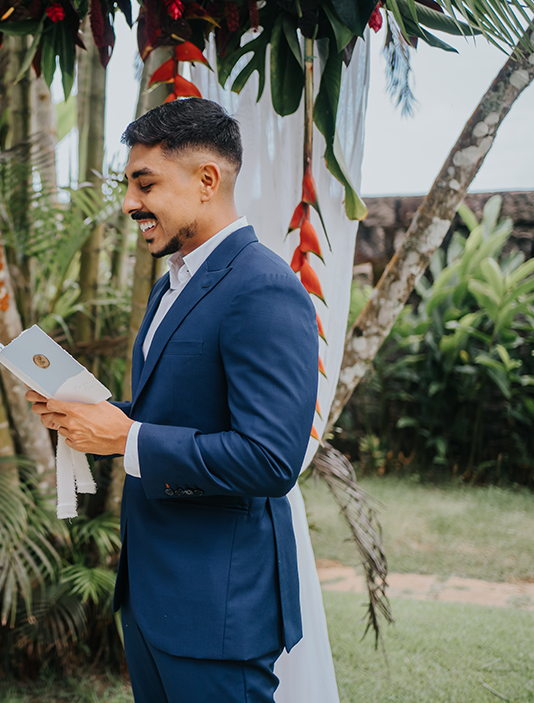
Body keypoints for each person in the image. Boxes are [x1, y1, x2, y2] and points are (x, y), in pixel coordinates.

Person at [28, 98, 317, 701]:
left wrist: (126, 438)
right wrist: (93, 417)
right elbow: (180, 417)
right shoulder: (171, 285)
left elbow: (269, 459)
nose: (130, 203)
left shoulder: (264, 287)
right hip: (154, 598)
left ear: (207, 180)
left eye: (145, 183)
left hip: (219, 608)